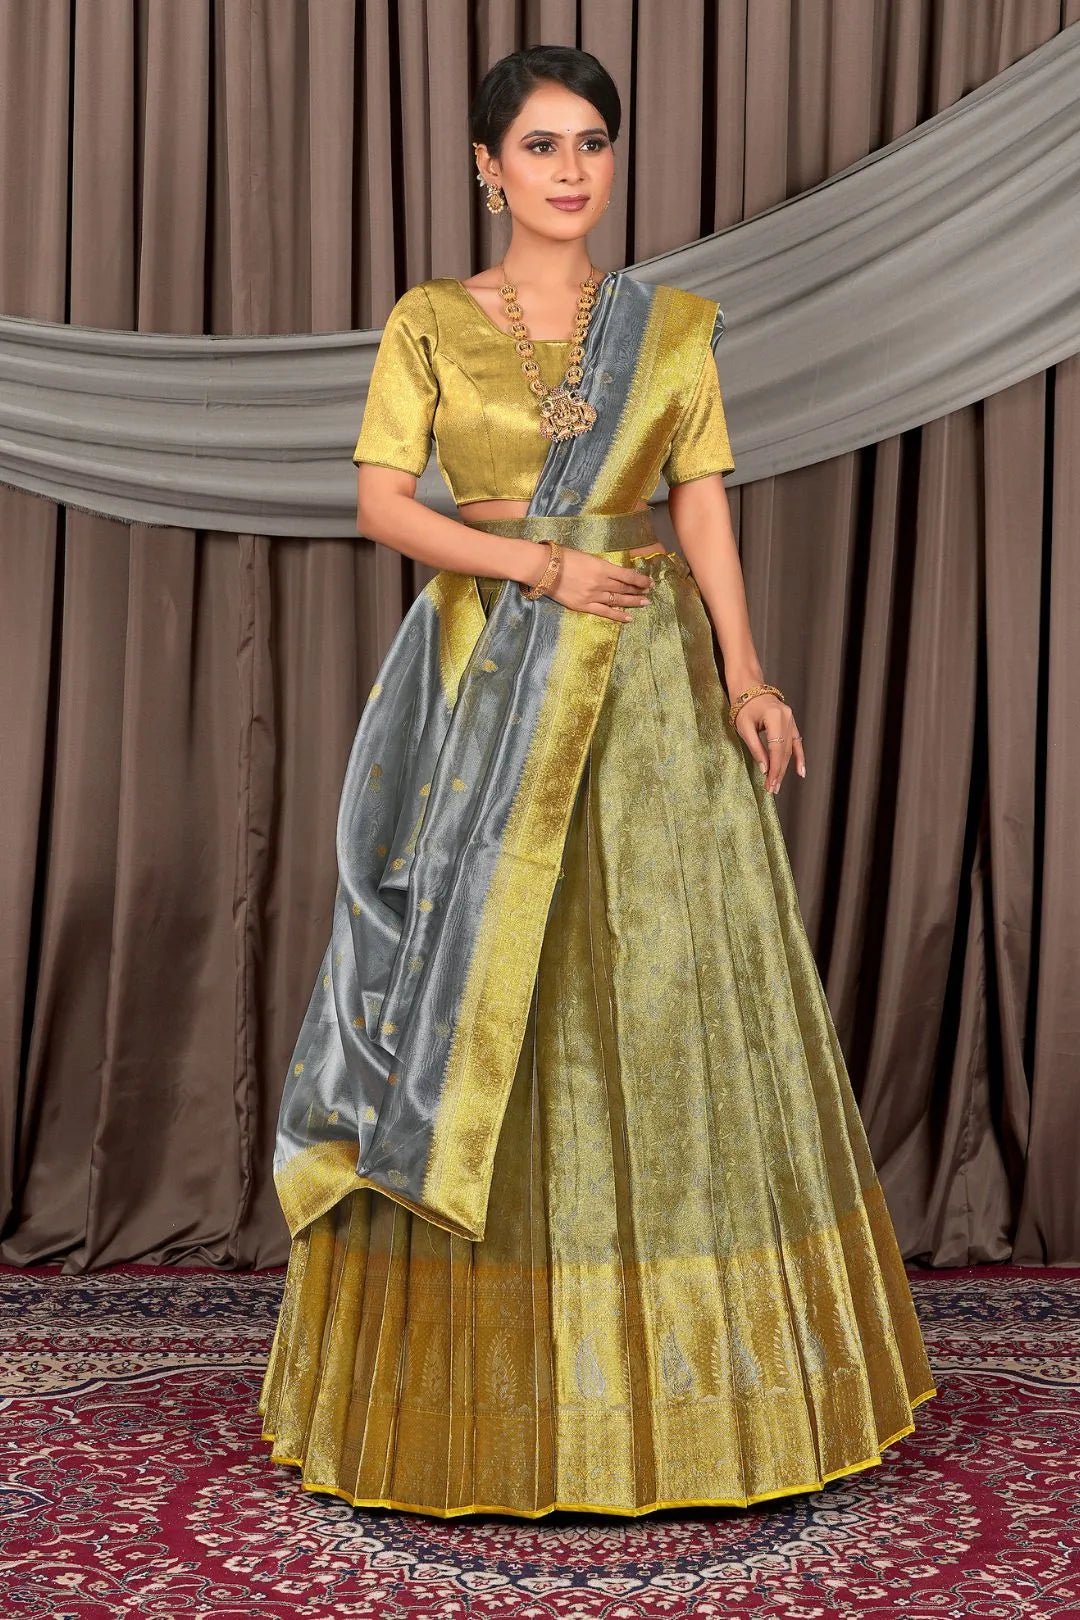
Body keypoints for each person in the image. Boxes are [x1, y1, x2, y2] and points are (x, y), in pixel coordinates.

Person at [258, 44, 935, 1519]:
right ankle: (474, 1399)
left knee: (663, 995)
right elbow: (383, 506)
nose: (571, 171)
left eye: (593, 144)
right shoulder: (431, 321)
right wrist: (539, 569)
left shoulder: (671, 328)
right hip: (491, 673)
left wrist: (746, 677)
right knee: (482, 983)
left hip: (645, 687)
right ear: (487, 166)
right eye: (541, 145)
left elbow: (703, 506)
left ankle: (700, 1397)